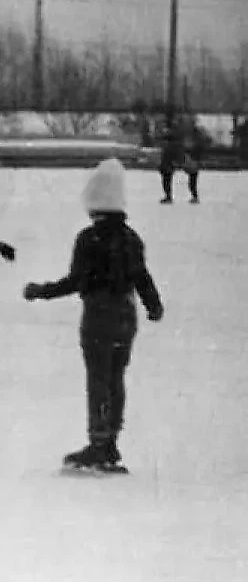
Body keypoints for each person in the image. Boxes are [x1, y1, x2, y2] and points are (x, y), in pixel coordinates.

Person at [23, 158, 164, 472]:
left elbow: (77, 281)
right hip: (126, 315)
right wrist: (153, 305)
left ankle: (98, 443)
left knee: (98, 378)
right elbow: (142, 276)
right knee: (116, 377)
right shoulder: (132, 238)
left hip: (99, 314)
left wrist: (40, 291)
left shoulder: (89, 239)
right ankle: (111, 441)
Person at [158, 132, 181, 204]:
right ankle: (168, 196)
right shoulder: (169, 147)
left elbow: (166, 159)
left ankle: (168, 197)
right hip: (168, 167)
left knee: (166, 183)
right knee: (167, 183)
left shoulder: (169, 148)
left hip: (167, 168)